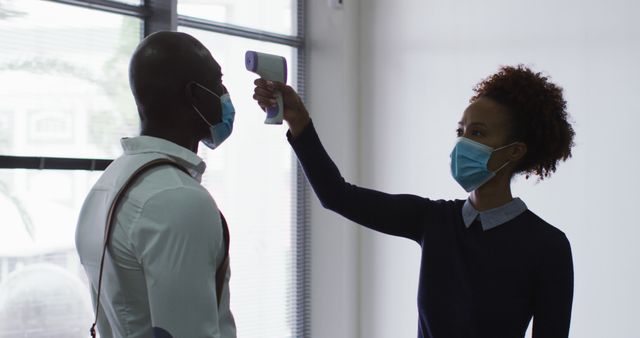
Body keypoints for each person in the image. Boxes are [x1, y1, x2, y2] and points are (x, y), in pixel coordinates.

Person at [253, 65, 575, 338]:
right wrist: (298, 120)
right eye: (460, 131)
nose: (463, 142)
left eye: (477, 133)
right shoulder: (433, 220)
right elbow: (336, 194)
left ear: (515, 151)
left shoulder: (547, 247)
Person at [76, 31, 236, 338]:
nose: (225, 94)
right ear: (194, 94)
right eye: (218, 82)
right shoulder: (178, 198)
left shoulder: (108, 183)